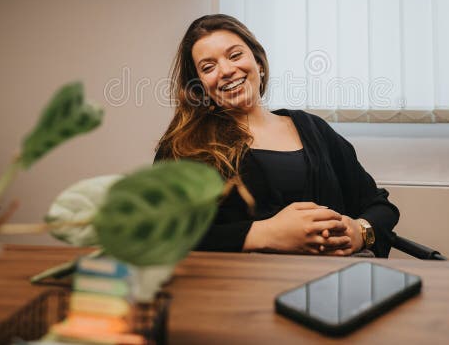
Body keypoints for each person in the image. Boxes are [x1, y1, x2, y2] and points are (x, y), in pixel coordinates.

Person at [154, 14, 400, 257]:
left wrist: (360, 231)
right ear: (199, 85)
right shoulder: (184, 145)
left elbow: (379, 206)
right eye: (208, 67)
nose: (227, 70)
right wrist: (264, 233)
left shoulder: (314, 129)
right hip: (240, 289)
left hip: (330, 283)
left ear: (258, 63)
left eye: (235, 55)